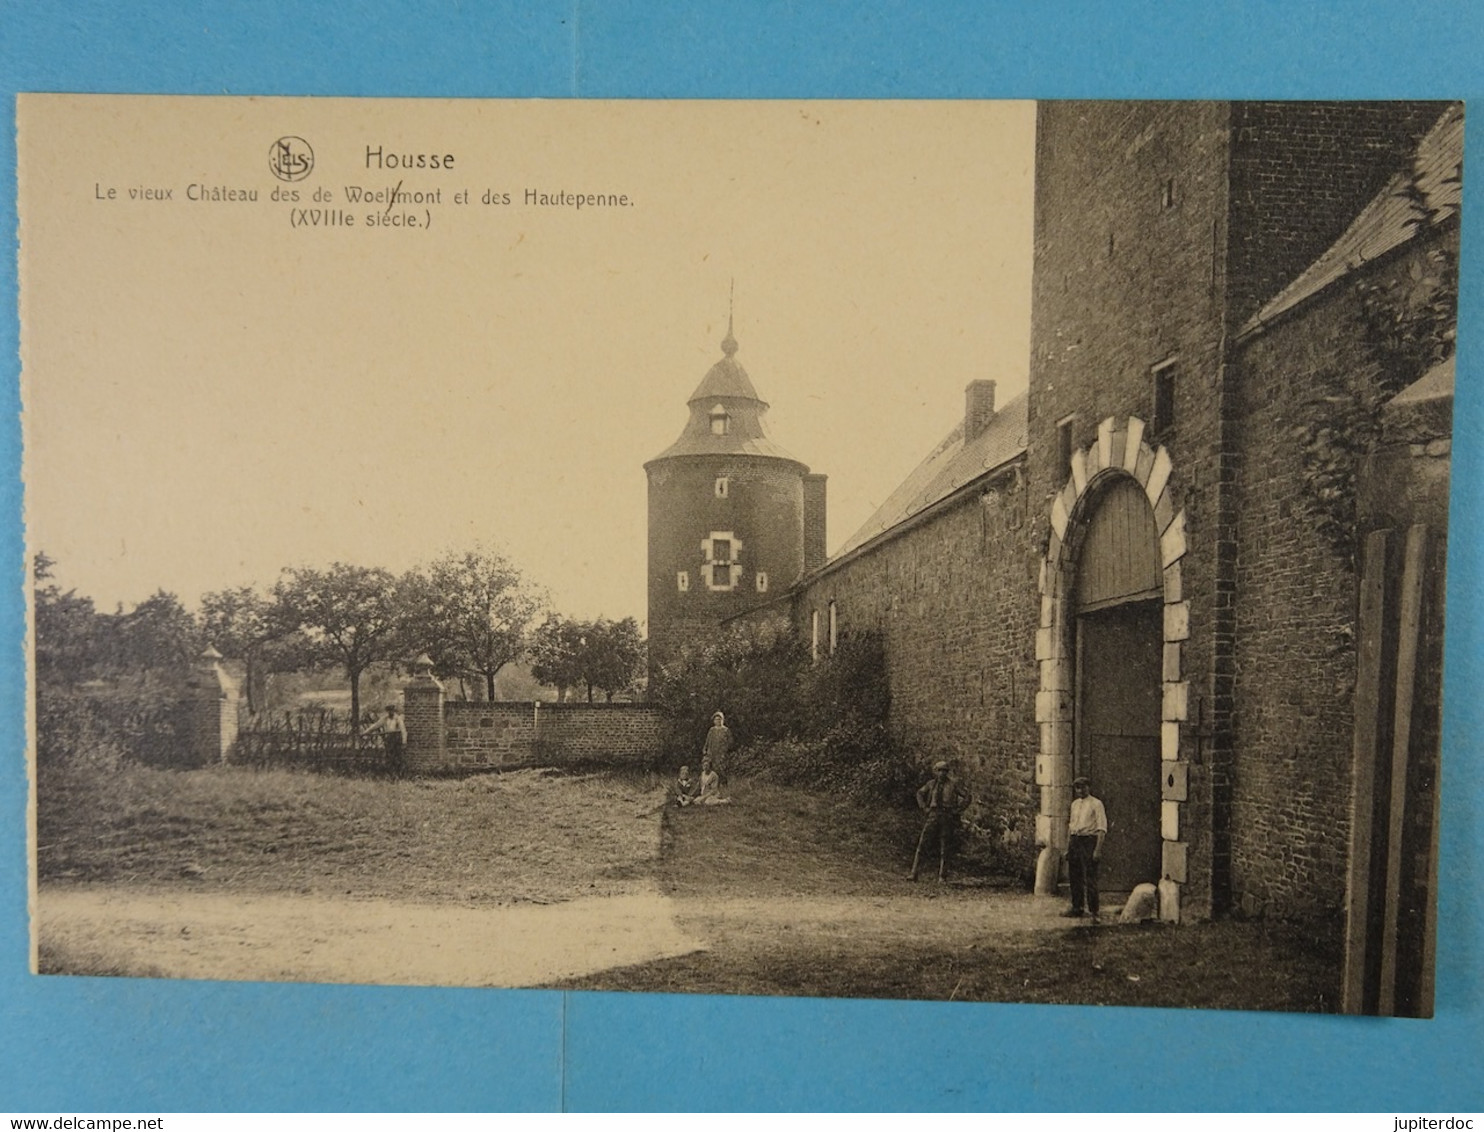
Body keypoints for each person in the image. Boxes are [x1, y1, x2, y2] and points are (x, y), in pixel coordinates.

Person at [910, 759, 965, 881]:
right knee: (922, 843)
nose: (942, 774)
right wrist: (924, 807)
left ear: (947, 773)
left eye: (944, 771)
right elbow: (919, 793)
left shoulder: (952, 785)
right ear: (936, 772)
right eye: (940, 771)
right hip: (933, 815)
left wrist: (958, 810)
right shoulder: (931, 784)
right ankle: (914, 873)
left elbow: (967, 796)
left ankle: (942, 876)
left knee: (944, 846)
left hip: (946, 816)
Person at [1064, 775, 1108, 921]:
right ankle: (1077, 907)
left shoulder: (1096, 804)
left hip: (1089, 841)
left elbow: (1102, 828)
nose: (1081, 791)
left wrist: (1097, 849)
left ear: (1089, 787)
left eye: (1083, 787)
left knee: (1090, 877)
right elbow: (1071, 827)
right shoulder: (1075, 804)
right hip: (1075, 841)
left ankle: (1094, 911)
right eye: (1078, 788)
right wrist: (1067, 847)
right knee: (1075, 876)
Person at [363, 704, 407, 778]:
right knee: (389, 757)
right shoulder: (385, 718)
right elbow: (375, 725)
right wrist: (365, 732)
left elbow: (403, 731)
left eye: (391, 711)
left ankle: (399, 774)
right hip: (389, 740)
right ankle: (391, 775)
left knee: (397, 757)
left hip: (396, 739)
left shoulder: (398, 719)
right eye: (389, 711)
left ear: (394, 711)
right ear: (387, 711)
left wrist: (404, 742)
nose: (390, 712)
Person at [703, 711, 733, 785]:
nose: (718, 721)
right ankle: (715, 785)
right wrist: (705, 749)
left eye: (719, 719)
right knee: (712, 769)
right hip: (712, 752)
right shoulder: (711, 730)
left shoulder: (726, 730)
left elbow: (730, 742)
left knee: (721, 769)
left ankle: (724, 784)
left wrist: (725, 749)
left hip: (721, 753)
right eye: (716, 719)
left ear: (722, 720)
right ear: (714, 721)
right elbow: (707, 740)